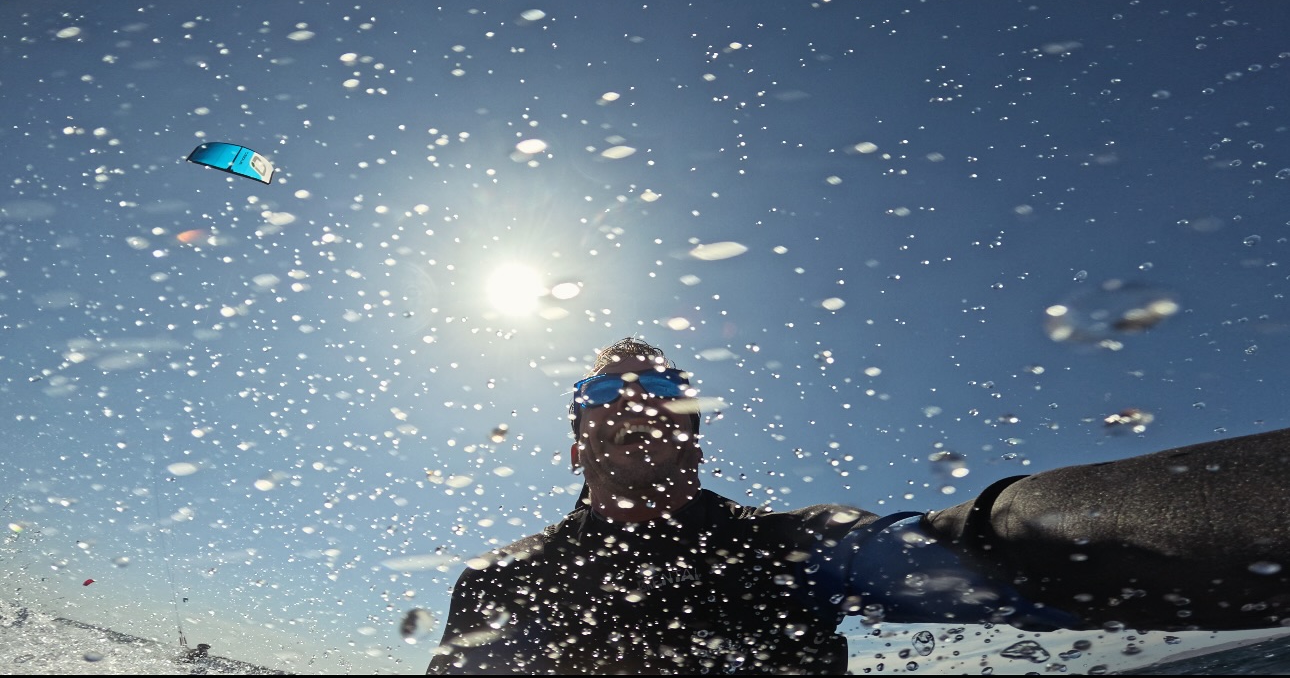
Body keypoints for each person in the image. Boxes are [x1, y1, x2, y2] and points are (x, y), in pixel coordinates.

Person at [427, 337, 1289, 675]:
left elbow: (982, 552)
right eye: (603, 392)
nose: (636, 400)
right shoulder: (505, 580)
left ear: (694, 435)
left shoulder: (795, 547)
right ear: (576, 441)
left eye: (666, 390)